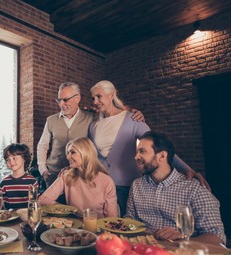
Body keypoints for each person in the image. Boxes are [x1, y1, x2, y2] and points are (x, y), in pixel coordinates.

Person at [88, 80, 209, 216]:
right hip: (99, 184)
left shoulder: (133, 119)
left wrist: (187, 169)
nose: (95, 101)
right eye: (93, 98)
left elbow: (159, 147)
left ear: (111, 95)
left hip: (125, 186)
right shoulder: (93, 125)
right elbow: (90, 154)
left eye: (99, 96)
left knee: (123, 229)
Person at [126, 131, 226, 245]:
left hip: (183, 253)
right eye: (137, 151)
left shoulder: (194, 189)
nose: (136, 157)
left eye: (142, 151)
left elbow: (217, 237)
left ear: (162, 156)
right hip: (145, 250)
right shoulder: (136, 185)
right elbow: (130, 221)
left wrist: (184, 240)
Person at [37, 81, 144, 188]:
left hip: (80, 176)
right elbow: (42, 145)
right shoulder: (51, 120)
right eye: (59, 100)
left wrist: (132, 112)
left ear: (77, 98)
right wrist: (43, 171)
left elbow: (113, 116)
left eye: (65, 100)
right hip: (53, 175)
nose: (61, 104)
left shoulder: (92, 118)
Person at [38, 137, 119, 218]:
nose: (68, 157)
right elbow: (42, 200)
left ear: (86, 153)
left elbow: (111, 219)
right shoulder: (67, 175)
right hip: (74, 228)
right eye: (68, 153)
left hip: (98, 229)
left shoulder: (107, 181)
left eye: (72, 152)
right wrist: (66, 209)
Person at [0, 143, 39, 209]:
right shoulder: (4, 183)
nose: (11, 162)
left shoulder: (32, 182)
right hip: (10, 218)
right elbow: (2, 206)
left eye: (14, 158)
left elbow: (36, 203)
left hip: (28, 217)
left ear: (24, 158)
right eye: (7, 159)